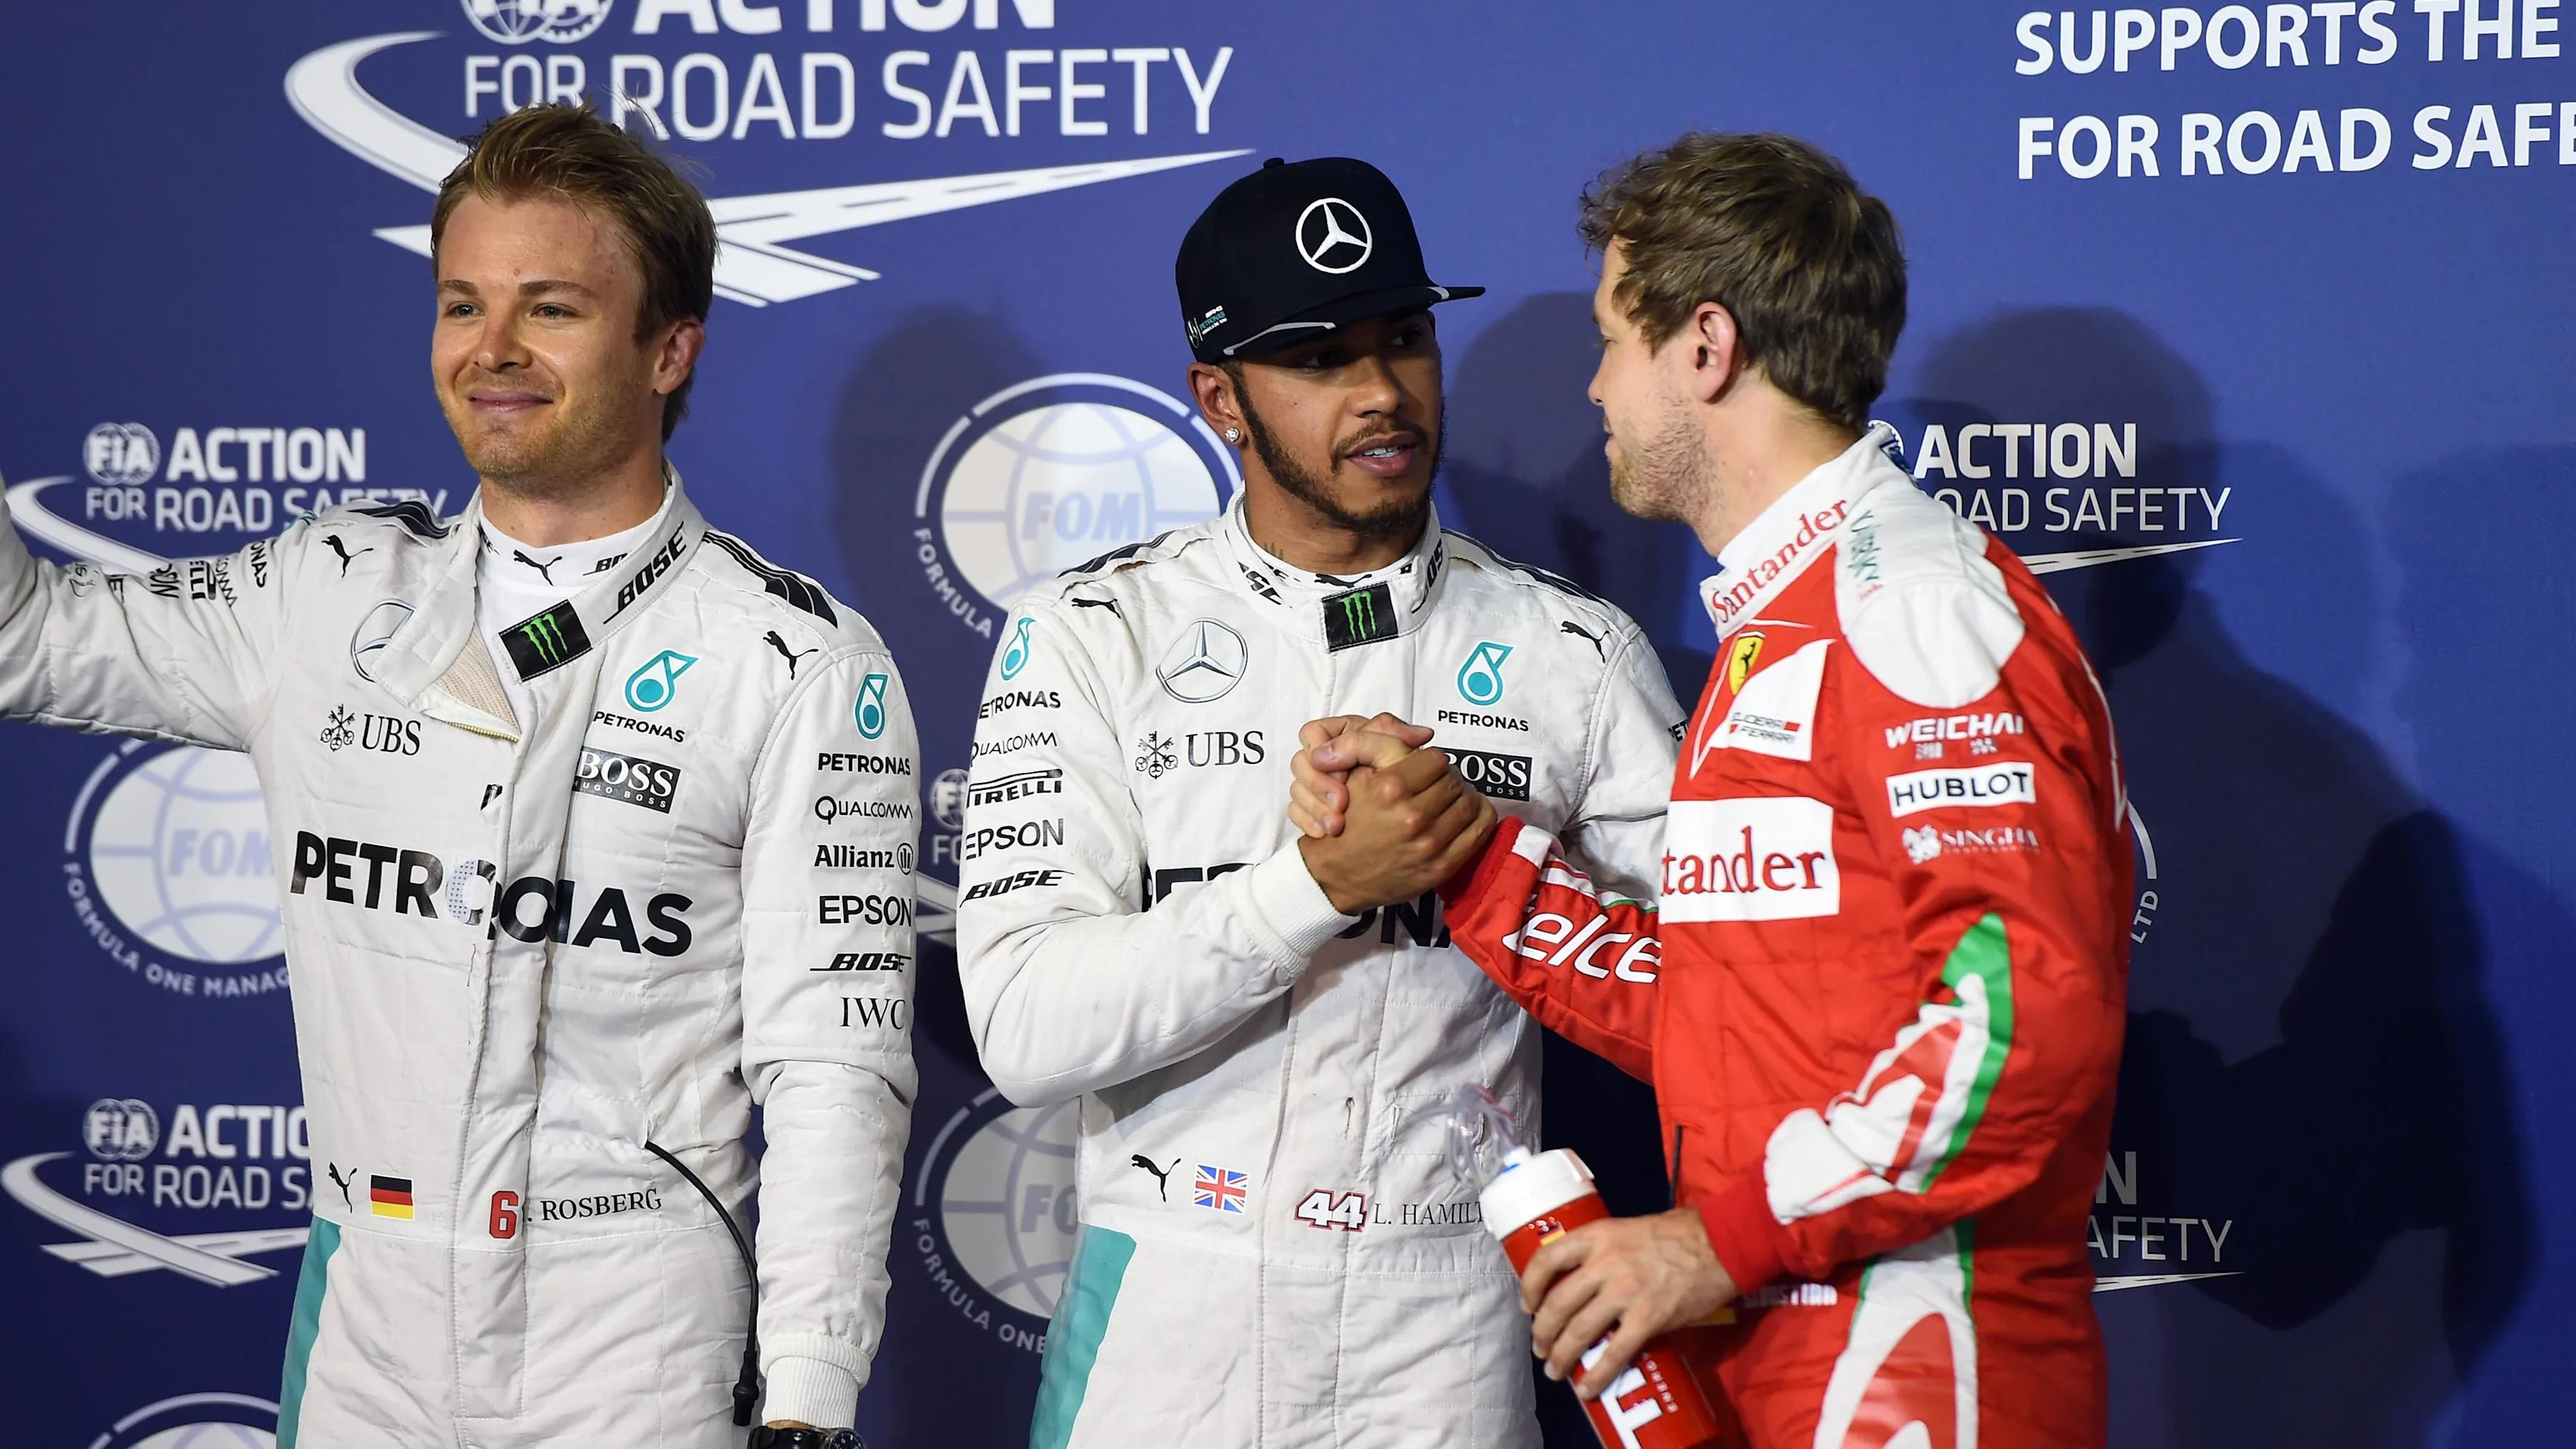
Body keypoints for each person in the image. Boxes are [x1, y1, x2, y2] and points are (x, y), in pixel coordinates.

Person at [0, 103, 914, 1449]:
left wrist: (812, 1397)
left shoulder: (796, 660)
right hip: (365, 1316)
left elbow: (833, 1064)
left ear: (672, 350)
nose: (491, 352)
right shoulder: (322, 596)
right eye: (461, 305)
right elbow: (25, 641)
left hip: (638, 1335)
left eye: (550, 310)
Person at [1291, 133, 2130, 1449]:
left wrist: (1710, 1241)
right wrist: (1464, 859)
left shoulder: (1906, 603)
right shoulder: (1788, 619)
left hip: (1922, 1350)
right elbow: (1737, 1017)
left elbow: (2023, 1029)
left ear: (1705, 347)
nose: (1593, 387)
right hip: (1785, 1345)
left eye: (1611, 340)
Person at [952, 156, 1684, 1449]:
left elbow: (1717, 992)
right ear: (1219, 398)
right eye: (1319, 359)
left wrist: (1484, 862)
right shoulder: (1090, 632)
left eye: (1403, 339)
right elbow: (1023, 1028)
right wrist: (1319, 887)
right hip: (1170, 1307)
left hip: (1448, 1317)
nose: (1380, 393)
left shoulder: (1576, 652)